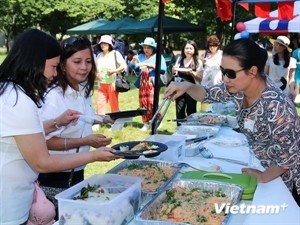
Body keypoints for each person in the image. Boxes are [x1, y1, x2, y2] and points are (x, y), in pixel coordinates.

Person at [0, 29, 120, 225]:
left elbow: (27, 133)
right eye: (54, 66)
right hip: (8, 203)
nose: (55, 74)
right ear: (35, 62)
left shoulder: (11, 92)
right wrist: (94, 155)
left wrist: (57, 122)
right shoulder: (17, 100)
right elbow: (42, 162)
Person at [163, 38, 300, 206]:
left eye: (230, 73)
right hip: (260, 162)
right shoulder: (239, 88)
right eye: (223, 70)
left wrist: (263, 176)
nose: (225, 78)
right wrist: (187, 87)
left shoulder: (278, 107)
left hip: (281, 178)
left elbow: (288, 157)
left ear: (252, 71)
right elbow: (208, 94)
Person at [38, 36, 115, 209]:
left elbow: (83, 117)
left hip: (77, 172)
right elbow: (44, 141)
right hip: (53, 177)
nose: (84, 67)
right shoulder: (53, 97)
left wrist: (102, 118)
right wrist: (86, 141)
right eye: (77, 61)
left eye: (88, 61)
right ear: (62, 65)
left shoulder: (82, 89)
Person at [129, 37, 167, 131]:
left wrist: (151, 66)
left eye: (148, 47)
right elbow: (132, 67)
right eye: (145, 47)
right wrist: (133, 61)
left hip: (152, 82)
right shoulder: (140, 56)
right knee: (143, 102)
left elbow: (163, 69)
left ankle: (157, 121)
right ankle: (146, 123)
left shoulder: (158, 56)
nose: (146, 49)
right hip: (143, 83)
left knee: (152, 102)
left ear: (153, 48)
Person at [172, 40, 203, 125]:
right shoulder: (179, 59)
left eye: (190, 48)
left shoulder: (197, 62)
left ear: (194, 50)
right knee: (179, 110)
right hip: (180, 88)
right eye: (186, 48)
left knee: (191, 111)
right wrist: (174, 70)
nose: (188, 50)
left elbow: (200, 78)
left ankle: (192, 129)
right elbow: (175, 73)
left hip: (192, 89)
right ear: (183, 49)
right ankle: (179, 129)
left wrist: (192, 72)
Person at [95, 35, 126, 114]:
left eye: (105, 43)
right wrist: (96, 75)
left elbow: (123, 66)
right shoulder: (99, 55)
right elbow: (95, 69)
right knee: (100, 103)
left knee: (114, 104)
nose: (103, 45)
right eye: (101, 43)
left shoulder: (115, 53)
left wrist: (114, 71)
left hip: (112, 83)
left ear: (110, 44)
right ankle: (99, 121)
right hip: (101, 84)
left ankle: (116, 121)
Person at [265, 36, 296, 100]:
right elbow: (265, 75)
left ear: (284, 47)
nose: (275, 46)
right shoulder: (270, 59)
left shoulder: (292, 61)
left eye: (279, 45)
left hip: (284, 92)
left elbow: (291, 78)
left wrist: (292, 89)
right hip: (270, 91)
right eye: (275, 44)